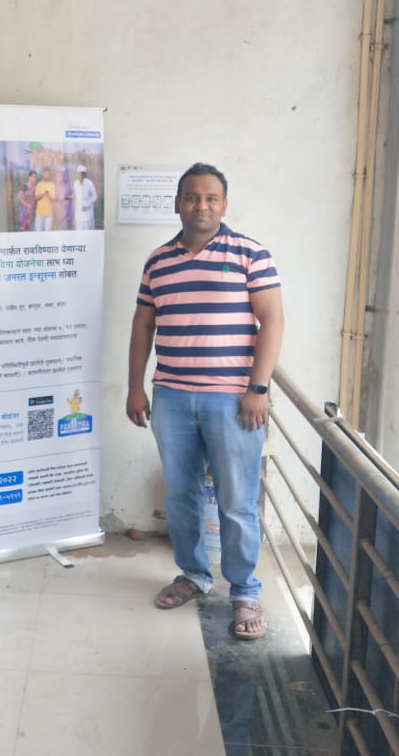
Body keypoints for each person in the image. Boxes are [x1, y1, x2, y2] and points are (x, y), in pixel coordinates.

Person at [126, 162, 283, 640]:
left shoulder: (250, 254)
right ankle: (193, 575)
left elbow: (273, 321)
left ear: (224, 205)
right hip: (172, 396)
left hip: (232, 401)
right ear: (178, 203)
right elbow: (143, 325)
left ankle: (245, 591)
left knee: (236, 500)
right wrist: (135, 386)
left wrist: (258, 388)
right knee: (181, 495)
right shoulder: (158, 261)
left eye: (211, 198)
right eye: (192, 197)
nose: (201, 206)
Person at [72, 164, 99, 230]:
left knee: (87, 233)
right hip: (78, 214)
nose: (78, 176)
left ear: (84, 175)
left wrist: (87, 205)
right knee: (79, 233)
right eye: (77, 174)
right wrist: (68, 197)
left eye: (80, 174)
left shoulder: (89, 183)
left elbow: (95, 196)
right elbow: (76, 195)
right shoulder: (75, 183)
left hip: (87, 214)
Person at [34, 166, 57, 231]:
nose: (46, 176)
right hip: (39, 213)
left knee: (47, 234)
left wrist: (48, 195)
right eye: (45, 174)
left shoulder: (52, 185)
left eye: (48, 174)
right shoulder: (39, 184)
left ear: (50, 175)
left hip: (48, 215)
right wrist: (43, 193)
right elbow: (36, 197)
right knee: (38, 233)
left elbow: (53, 200)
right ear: (43, 174)